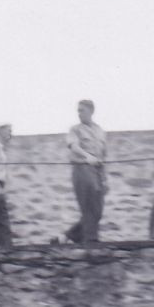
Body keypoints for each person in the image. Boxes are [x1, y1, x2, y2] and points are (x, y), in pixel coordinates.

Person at [62, 99, 110, 244]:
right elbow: (73, 146)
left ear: (91, 111)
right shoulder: (75, 129)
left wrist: (105, 178)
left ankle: (68, 236)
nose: (79, 113)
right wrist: (87, 156)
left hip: (97, 171)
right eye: (78, 110)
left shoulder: (100, 131)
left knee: (98, 211)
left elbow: (103, 156)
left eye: (82, 110)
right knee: (89, 207)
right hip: (81, 169)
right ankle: (91, 241)